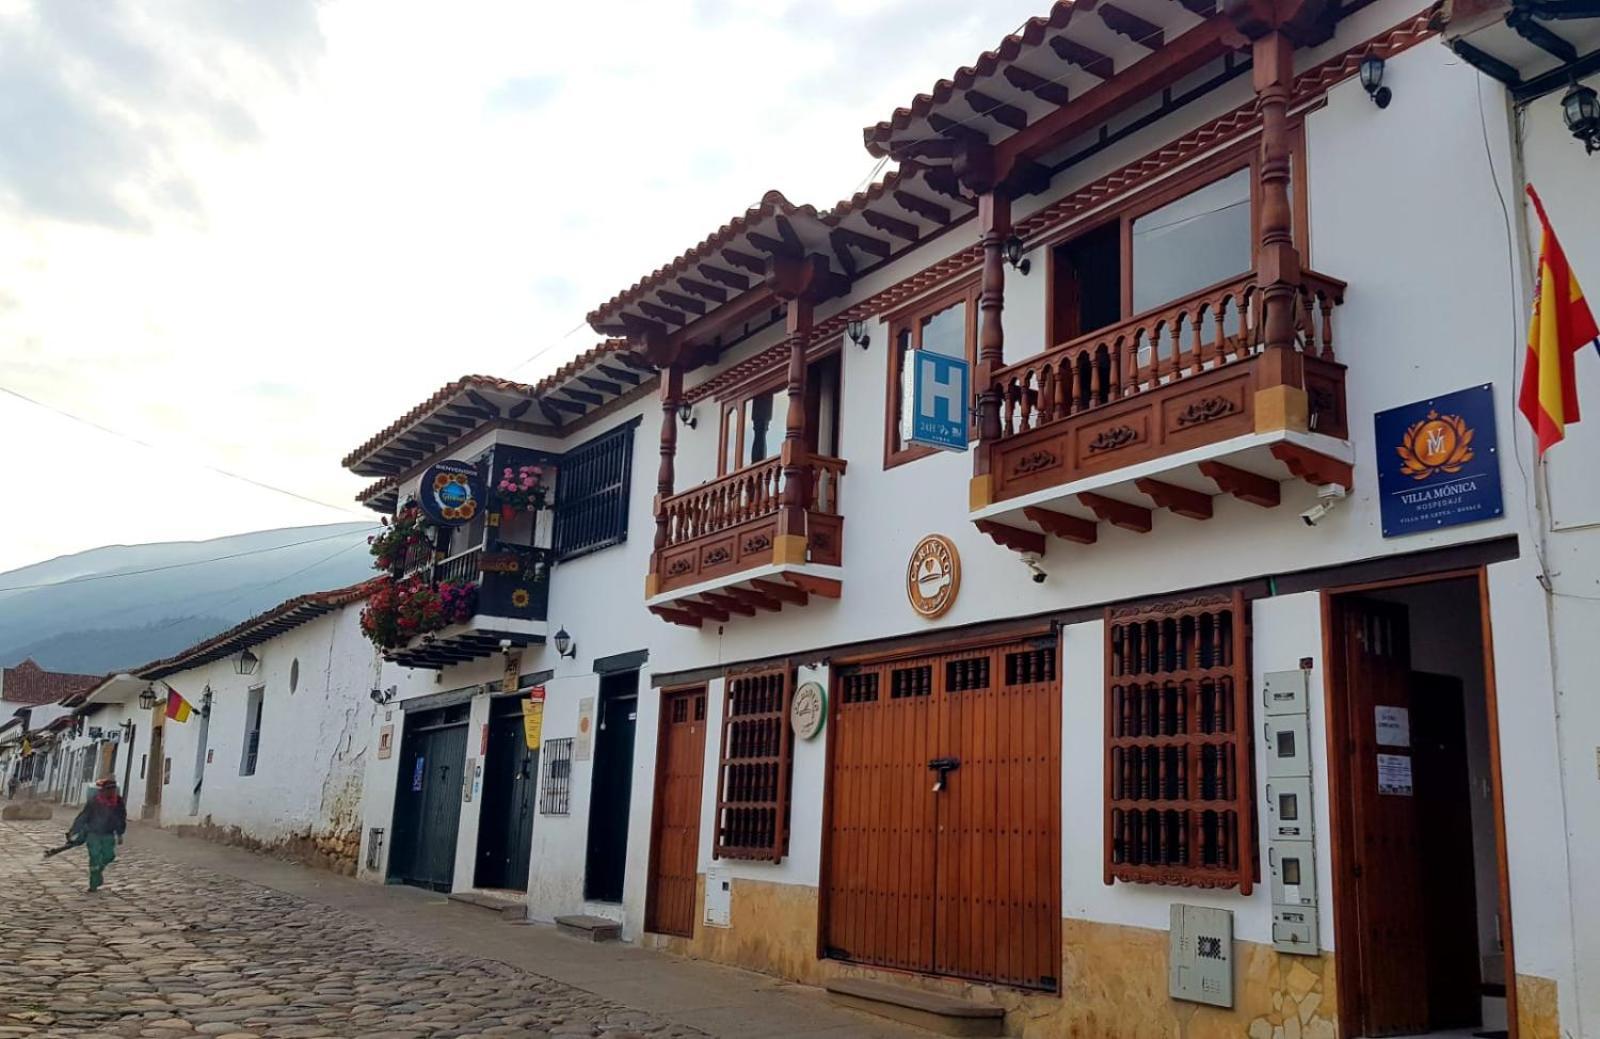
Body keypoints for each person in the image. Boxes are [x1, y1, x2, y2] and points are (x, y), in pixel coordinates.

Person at [67, 777, 126, 892]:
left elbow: (121, 818)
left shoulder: (118, 802)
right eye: (109, 789)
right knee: (94, 857)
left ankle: (98, 872)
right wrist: (73, 830)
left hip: (108, 834)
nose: (111, 792)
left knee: (109, 856)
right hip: (93, 834)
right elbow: (83, 817)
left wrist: (120, 834)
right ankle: (93, 884)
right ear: (103, 790)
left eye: (113, 789)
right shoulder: (94, 801)